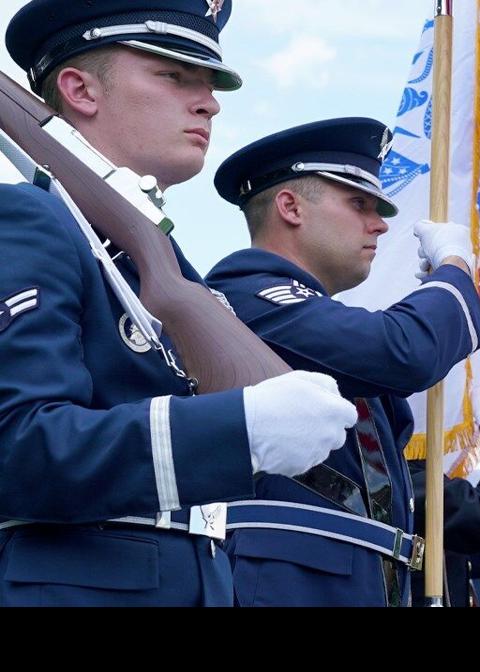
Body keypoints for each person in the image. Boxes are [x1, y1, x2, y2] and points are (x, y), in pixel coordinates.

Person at [0, 0, 354, 607]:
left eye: (209, 83)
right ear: (79, 89)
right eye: (173, 75)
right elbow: (19, 447)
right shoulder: (31, 219)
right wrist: (233, 430)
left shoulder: (157, 258)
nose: (209, 102)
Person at [206, 117, 480, 606]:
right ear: (290, 206)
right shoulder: (249, 294)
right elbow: (403, 351)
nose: (380, 223)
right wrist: (454, 271)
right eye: (358, 204)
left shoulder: (306, 314)